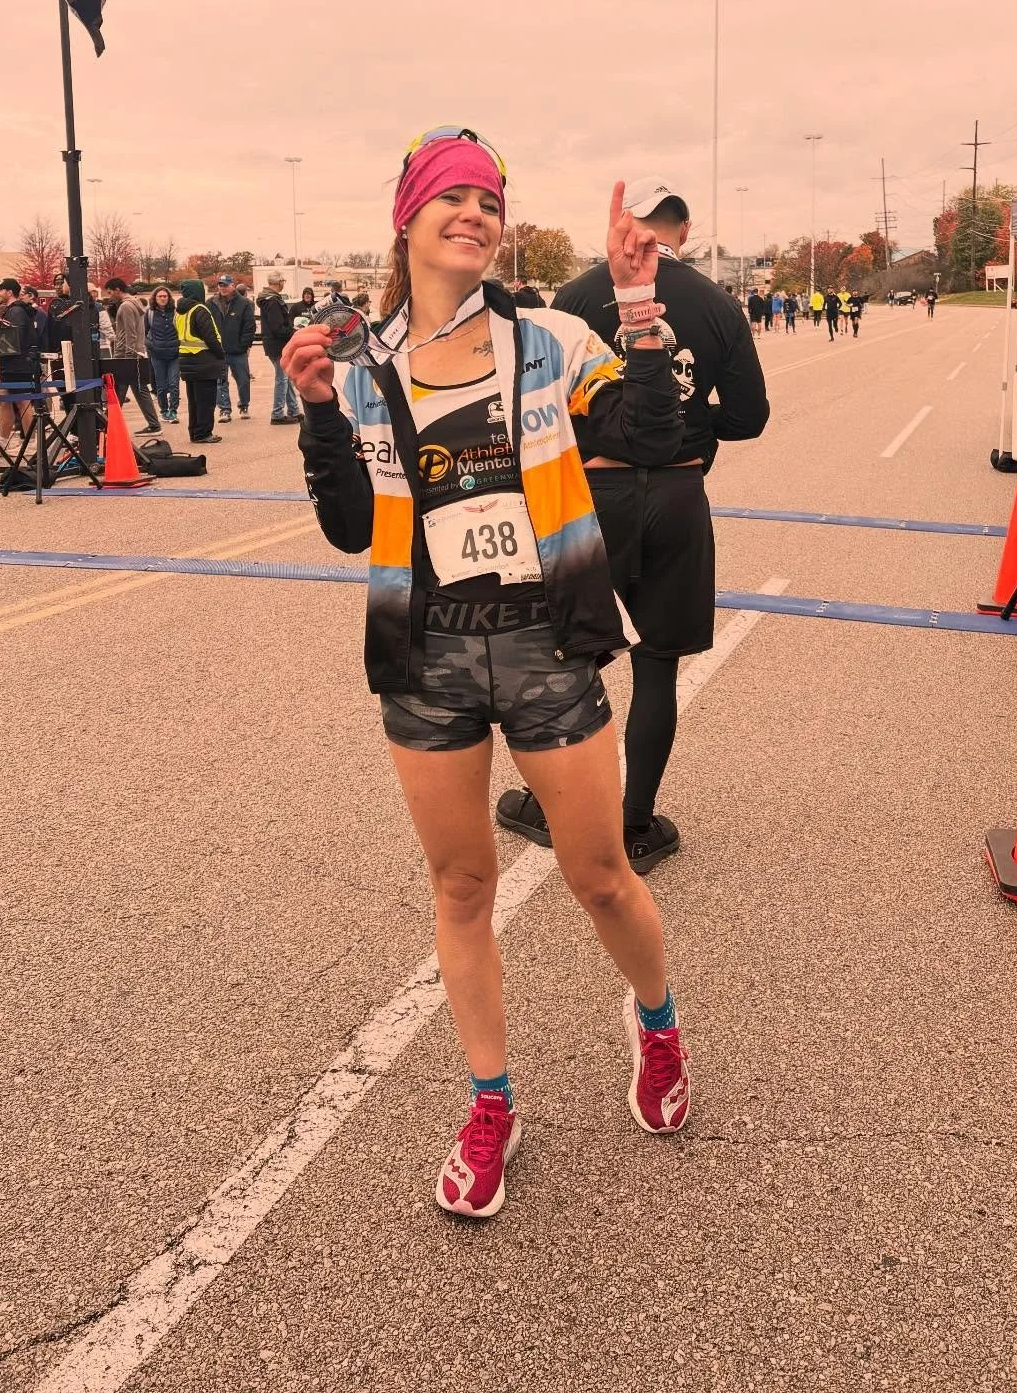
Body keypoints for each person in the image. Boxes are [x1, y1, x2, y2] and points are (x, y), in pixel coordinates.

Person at [286, 128, 692, 1220]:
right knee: (461, 886)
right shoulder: (365, 363)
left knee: (599, 873)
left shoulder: (553, 342)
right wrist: (323, 416)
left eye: (488, 199)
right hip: (424, 656)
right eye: (451, 196)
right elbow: (341, 522)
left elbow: (654, 435)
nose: (474, 212)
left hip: (545, 642)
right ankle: (490, 1104)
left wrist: (640, 305)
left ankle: (655, 1025)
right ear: (407, 219)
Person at [498, 172, 770, 875]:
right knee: (657, 668)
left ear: (627, 223)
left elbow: (543, 401)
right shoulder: (716, 303)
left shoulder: (577, 296)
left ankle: (553, 804)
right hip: (679, 492)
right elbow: (747, 418)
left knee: (566, 662)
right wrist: (685, 417)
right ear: (685, 230)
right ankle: (635, 821)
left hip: (596, 492)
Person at [103, 280, 162, 432]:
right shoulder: (133, 304)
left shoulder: (126, 306)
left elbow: (131, 333)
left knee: (119, 391)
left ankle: (109, 426)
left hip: (127, 355)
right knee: (138, 390)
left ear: (117, 290)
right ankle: (154, 424)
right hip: (134, 354)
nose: (109, 296)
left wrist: (128, 357)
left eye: (109, 292)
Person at [176, 280, 226, 444]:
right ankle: (203, 433)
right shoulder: (200, 309)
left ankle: (195, 431)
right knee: (206, 400)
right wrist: (220, 353)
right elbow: (210, 336)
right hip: (204, 360)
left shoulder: (180, 311)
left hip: (187, 360)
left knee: (194, 401)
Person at [0, 278, 38, 445]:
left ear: (9, 292)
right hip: (11, 364)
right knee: (4, 400)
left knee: (22, 401)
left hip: (17, 364)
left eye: (0, 290)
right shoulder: (14, 310)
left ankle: (31, 440)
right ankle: (3, 439)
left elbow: (14, 337)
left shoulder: (16, 311)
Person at [209, 274, 255, 421]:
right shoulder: (210, 303)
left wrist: (244, 345)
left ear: (232, 285)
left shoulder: (244, 303)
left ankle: (244, 405)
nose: (223, 288)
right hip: (218, 351)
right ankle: (224, 409)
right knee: (220, 382)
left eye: (226, 285)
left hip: (237, 351)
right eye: (220, 285)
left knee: (243, 380)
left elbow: (249, 326)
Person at [257, 271, 301, 425]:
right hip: (277, 345)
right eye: (283, 280)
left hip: (274, 344)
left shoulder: (269, 300)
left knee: (286, 378)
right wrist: (294, 332)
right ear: (279, 282)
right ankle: (277, 414)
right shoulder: (272, 302)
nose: (284, 283)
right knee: (282, 379)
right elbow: (278, 328)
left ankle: (294, 410)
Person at [145, 287, 180, 423]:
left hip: (174, 354)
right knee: (161, 385)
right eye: (160, 296)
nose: (163, 298)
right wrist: (151, 346)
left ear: (169, 297)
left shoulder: (176, 313)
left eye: (165, 296)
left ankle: (173, 410)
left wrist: (178, 345)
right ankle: (164, 410)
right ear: (155, 298)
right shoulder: (150, 313)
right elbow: (144, 333)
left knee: (173, 383)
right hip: (157, 354)